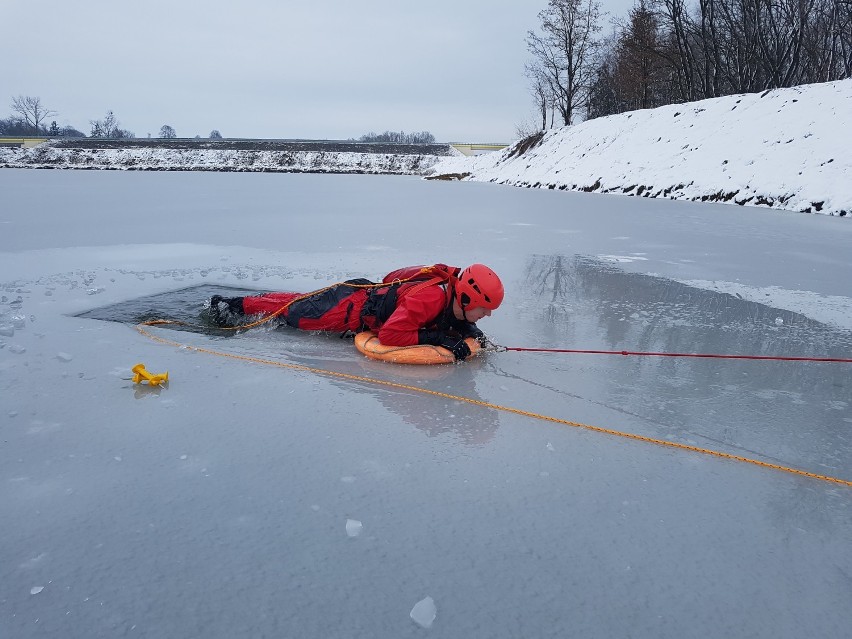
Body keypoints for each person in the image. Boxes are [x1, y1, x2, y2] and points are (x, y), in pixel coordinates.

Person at [208, 263, 503, 361]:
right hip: (345, 310)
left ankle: (247, 302)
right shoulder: (430, 298)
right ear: (465, 298)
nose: (487, 315)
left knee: (298, 303)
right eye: (484, 309)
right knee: (292, 311)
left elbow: (394, 276)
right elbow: (390, 334)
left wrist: (469, 332)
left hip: (361, 296)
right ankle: (234, 305)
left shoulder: (452, 295)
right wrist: (441, 338)